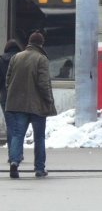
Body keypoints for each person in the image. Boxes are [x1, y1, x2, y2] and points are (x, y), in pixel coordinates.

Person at [5, 32, 58, 178]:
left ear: (29, 42)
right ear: (41, 44)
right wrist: (49, 100)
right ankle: (39, 169)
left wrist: (13, 94)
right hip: (37, 105)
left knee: (17, 134)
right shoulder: (41, 59)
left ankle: (14, 163)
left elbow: (8, 80)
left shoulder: (16, 57)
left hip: (17, 104)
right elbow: (43, 84)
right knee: (39, 137)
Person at [1, 39, 22, 149]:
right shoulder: (22, 59)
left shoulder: (1, 60)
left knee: (10, 125)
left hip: (5, 97)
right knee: (19, 125)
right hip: (21, 97)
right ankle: (18, 153)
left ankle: (12, 153)